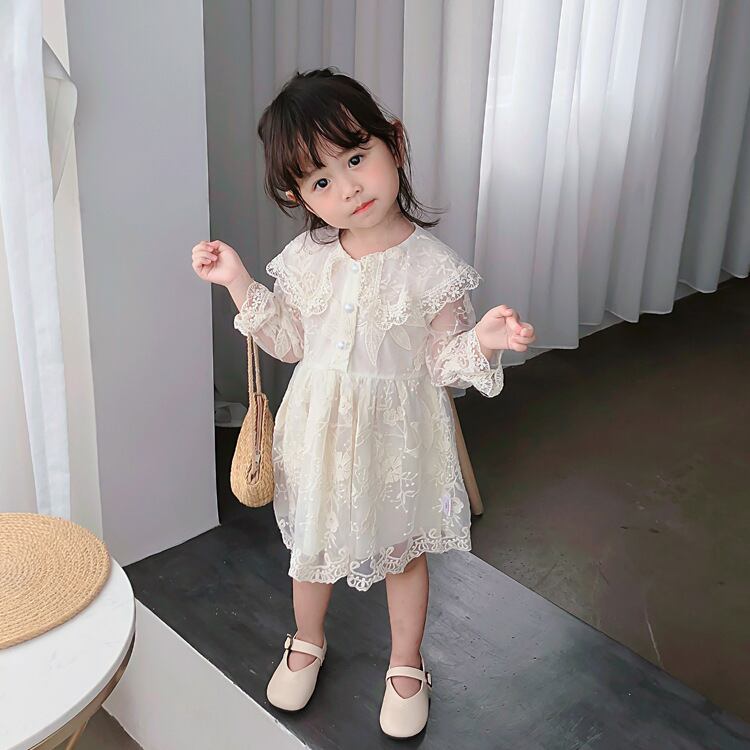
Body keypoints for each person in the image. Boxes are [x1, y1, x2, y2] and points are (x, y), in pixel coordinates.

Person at [191, 67, 535, 739]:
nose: (348, 188)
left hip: (397, 439)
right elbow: (290, 340)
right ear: (298, 196)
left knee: (402, 552)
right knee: (312, 540)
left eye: (355, 158)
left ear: (393, 144)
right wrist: (236, 281)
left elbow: (442, 363)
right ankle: (307, 638)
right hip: (319, 432)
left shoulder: (433, 268)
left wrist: (484, 341)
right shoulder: (307, 258)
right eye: (320, 181)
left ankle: (406, 663)